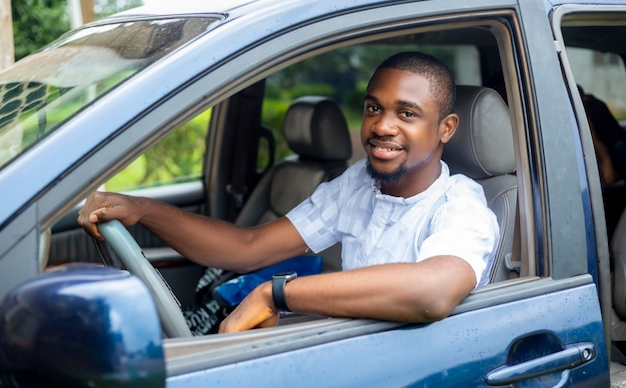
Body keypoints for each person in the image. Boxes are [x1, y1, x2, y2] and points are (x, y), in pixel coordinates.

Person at [78, 51, 499, 333]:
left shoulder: (461, 205)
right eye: (374, 108)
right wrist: (142, 209)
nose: (382, 126)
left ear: (446, 129)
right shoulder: (359, 183)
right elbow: (247, 247)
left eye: (407, 114)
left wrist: (275, 292)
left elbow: (432, 291)